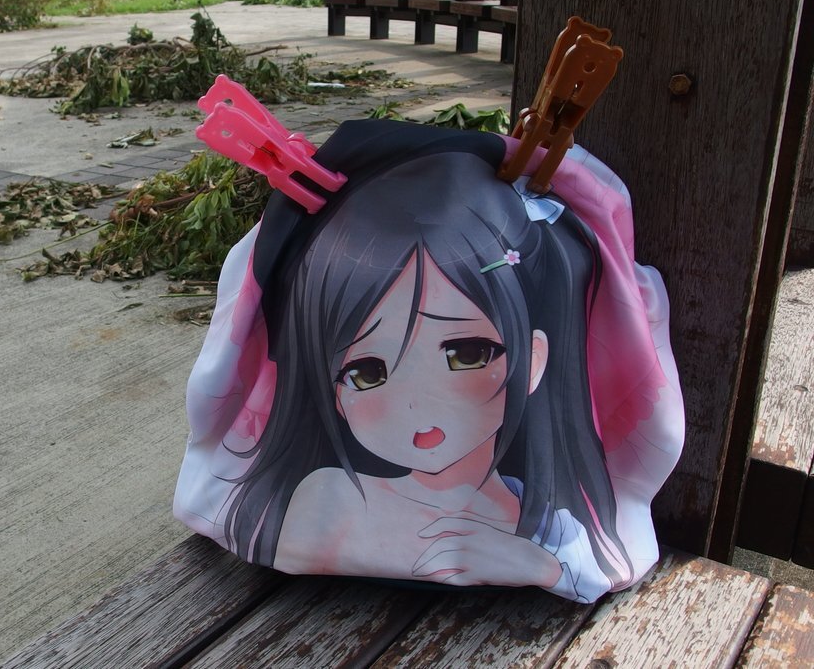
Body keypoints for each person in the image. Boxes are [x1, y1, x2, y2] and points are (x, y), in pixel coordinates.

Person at [216, 137, 634, 603]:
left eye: (466, 354)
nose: (415, 403)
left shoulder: (558, 527)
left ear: (533, 360)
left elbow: (592, 574)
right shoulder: (332, 494)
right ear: (336, 395)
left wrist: (542, 566)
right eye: (367, 372)